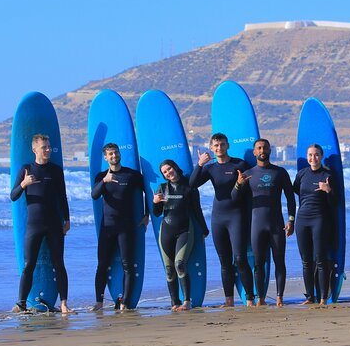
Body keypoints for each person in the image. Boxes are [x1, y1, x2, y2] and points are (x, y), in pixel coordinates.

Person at [189, 133, 254, 307]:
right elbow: (192, 184)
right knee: (224, 261)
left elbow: (250, 192)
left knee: (240, 259)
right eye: (216, 146)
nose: (219, 148)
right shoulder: (210, 168)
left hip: (237, 217)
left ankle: (249, 299)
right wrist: (200, 164)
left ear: (228, 146)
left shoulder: (240, 164)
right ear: (211, 148)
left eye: (222, 145)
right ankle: (229, 300)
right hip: (218, 218)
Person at [10, 134, 72, 314]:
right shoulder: (26, 169)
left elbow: (62, 197)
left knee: (59, 263)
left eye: (49, 147)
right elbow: (13, 196)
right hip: (34, 226)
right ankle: (21, 303)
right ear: (34, 149)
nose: (48, 150)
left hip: (54, 224)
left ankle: (64, 304)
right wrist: (23, 184)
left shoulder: (55, 170)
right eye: (44, 147)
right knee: (29, 265)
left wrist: (67, 220)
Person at [233, 138, 296, 306]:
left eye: (265, 148)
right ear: (254, 152)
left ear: (270, 151)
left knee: (279, 261)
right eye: (259, 148)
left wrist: (291, 220)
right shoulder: (247, 174)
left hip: (276, 224)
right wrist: (239, 185)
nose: (262, 150)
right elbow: (234, 198)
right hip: (256, 225)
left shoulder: (280, 172)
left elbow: (290, 198)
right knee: (259, 263)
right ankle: (260, 298)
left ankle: (279, 298)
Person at [91, 143, 149, 310]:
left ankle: (125, 302)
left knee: (127, 265)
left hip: (126, 227)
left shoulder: (132, 175)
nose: (114, 156)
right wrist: (105, 181)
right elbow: (94, 195)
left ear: (119, 154)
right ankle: (99, 302)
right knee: (102, 264)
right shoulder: (101, 176)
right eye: (110, 154)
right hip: (107, 228)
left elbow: (148, 192)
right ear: (105, 157)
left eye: (115, 152)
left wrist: (146, 215)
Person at [152, 159, 209, 311]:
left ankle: (187, 301)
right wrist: (155, 202)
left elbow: (197, 210)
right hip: (166, 230)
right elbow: (157, 213)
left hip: (185, 230)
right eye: (164, 172)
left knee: (180, 264)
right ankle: (174, 302)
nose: (168, 173)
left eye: (169, 169)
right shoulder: (162, 188)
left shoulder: (189, 187)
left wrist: (204, 229)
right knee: (169, 269)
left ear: (175, 167)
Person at [293, 144, 335, 306]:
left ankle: (323, 298)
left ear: (321, 156)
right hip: (302, 219)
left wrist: (328, 190)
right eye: (310, 155)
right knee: (306, 261)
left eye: (316, 155)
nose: (313, 158)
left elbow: (335, 202)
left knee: (320, 260)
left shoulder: (328, 175)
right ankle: (310, 297)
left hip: (320, 220)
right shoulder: (302, 174)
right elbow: (296, 192)